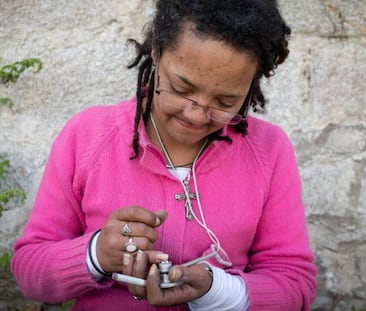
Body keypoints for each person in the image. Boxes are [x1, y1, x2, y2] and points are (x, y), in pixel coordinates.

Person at [11, 0, 318, 310]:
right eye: (181, 88)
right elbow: (30, 272)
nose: (197, 115)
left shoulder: (269, 150)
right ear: (156, 51)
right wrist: (95, 254)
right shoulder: (87, 136)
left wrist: (217, 291)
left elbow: (295, 285)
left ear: (250, 86)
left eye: (226, 101)